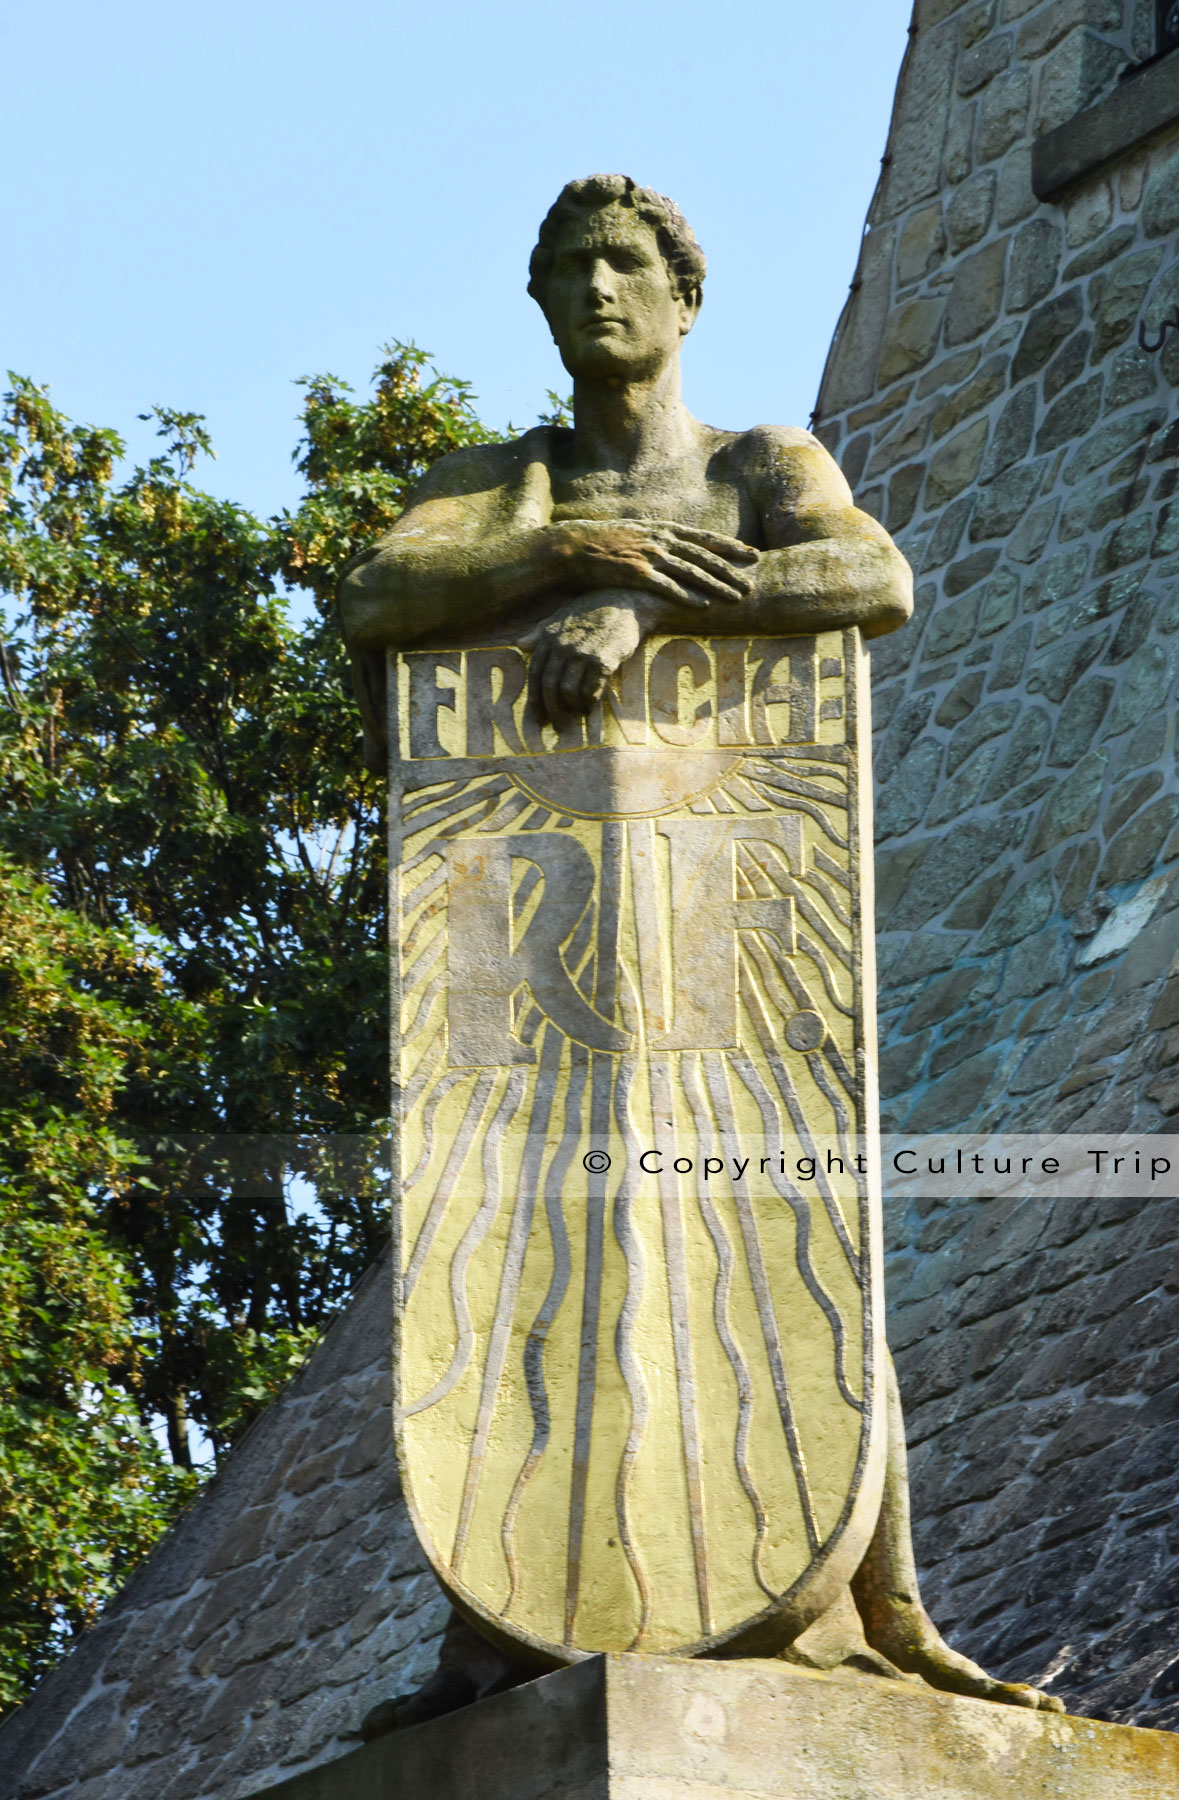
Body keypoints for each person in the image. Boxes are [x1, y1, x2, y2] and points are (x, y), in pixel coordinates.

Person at [340, 175, 1062, 1728]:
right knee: (526, 1247)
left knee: (796, 1232)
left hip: (740, 915)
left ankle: (884, 1596)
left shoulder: (758, 466)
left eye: (626, 262)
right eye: (568, 269)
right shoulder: (499, 482)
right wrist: (572, 564)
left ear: (683, 297)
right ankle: (506, 1619)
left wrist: (639, 614)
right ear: (540, 306)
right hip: (536, 939)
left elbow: (870, 578)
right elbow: (385, 595)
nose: (598, 287)